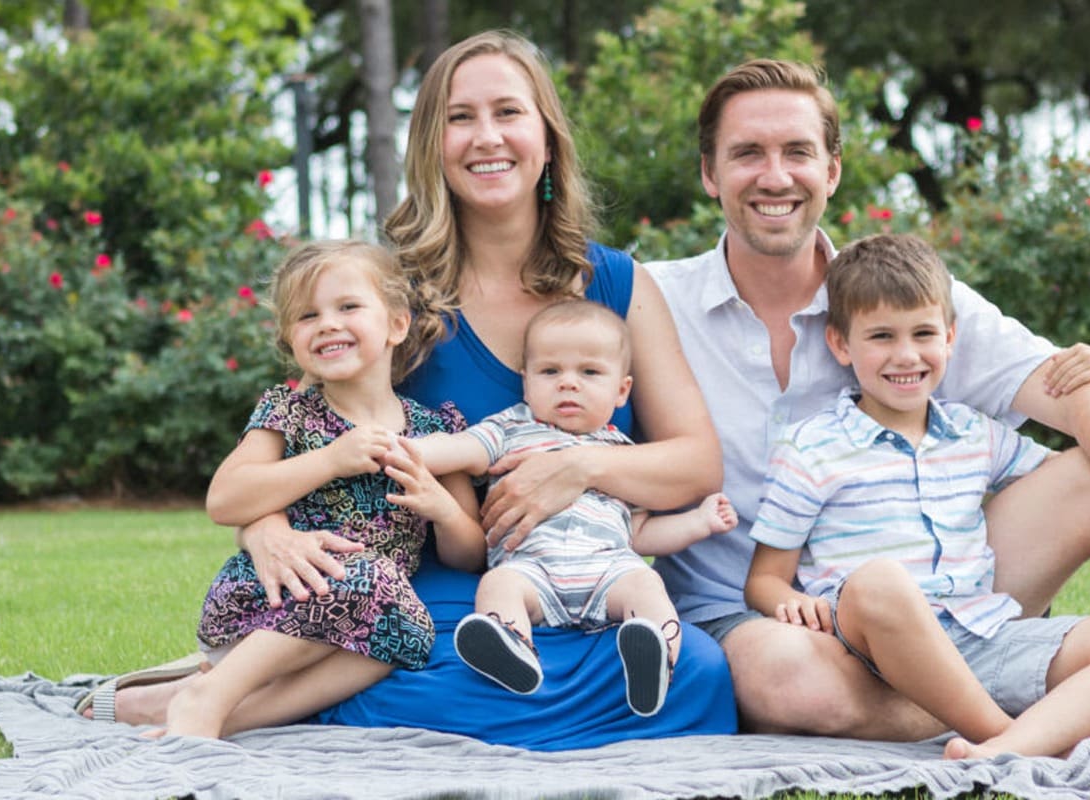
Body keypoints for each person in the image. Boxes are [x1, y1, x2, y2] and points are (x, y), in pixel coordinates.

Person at [646, 57, 1090, 772]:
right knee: (788, 683)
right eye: (748, 154)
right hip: (762, 620)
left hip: (945, 599)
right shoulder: (653, 302)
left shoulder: (900, 300)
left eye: (797, 152)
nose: (775, 176)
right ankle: (1051, 709)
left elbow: (1084, 400)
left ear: (832, 170)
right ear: (711, 173)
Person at [85, 30, 737, 748]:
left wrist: (577, 466)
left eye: (508, 113)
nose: (486, 137)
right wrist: (264, 530)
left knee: (700, 672)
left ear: (548, 140)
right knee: (419, 648)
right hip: (437, 588)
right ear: (432, 145)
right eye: (460, 118)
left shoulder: (615, 283)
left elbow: (695, 464)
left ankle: (222, 700)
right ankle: (236, 693)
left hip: (587, 580)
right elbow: (295, 435)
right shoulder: (385, 294)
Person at [746, 233, 1090, 759]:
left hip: (983, 635)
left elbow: (1089, 480)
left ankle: (1027, 730)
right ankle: (1010, 738)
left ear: (949, 337)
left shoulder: (974, 434)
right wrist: (792, 602)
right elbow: (764, 579)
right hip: (873, 647)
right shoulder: (811, 447)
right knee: (880, 581)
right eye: (881, 337)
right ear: (841, 345)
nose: (906, 355)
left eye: (923, 333)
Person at [164, 239, 487, 738]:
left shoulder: (434, 431)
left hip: (367, 620)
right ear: (290, 338)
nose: (328, 324)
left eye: (349, 306)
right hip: (270, 598)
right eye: (307, 315)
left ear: (397, 324)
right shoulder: (288, 413)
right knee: (376, 581)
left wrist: (441, 509)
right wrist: (330, 460)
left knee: (412, 632)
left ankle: (217, 712)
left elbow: (470, 553)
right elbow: (225, 500)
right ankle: (212, 695)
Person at [400, 299, 736, 716]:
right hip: (531, 572)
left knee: (646, 586)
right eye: (550, 371)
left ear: (621, 391)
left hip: (608, 571)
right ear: (526, 383)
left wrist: (697, 522)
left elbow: (640, 535)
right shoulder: (510, 428)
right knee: (497, 586)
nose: (568, 384)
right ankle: (512, 648)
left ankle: (653, 658)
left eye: (589, 372)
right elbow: (460, 448)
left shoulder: (622, 455)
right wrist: (401, 450)